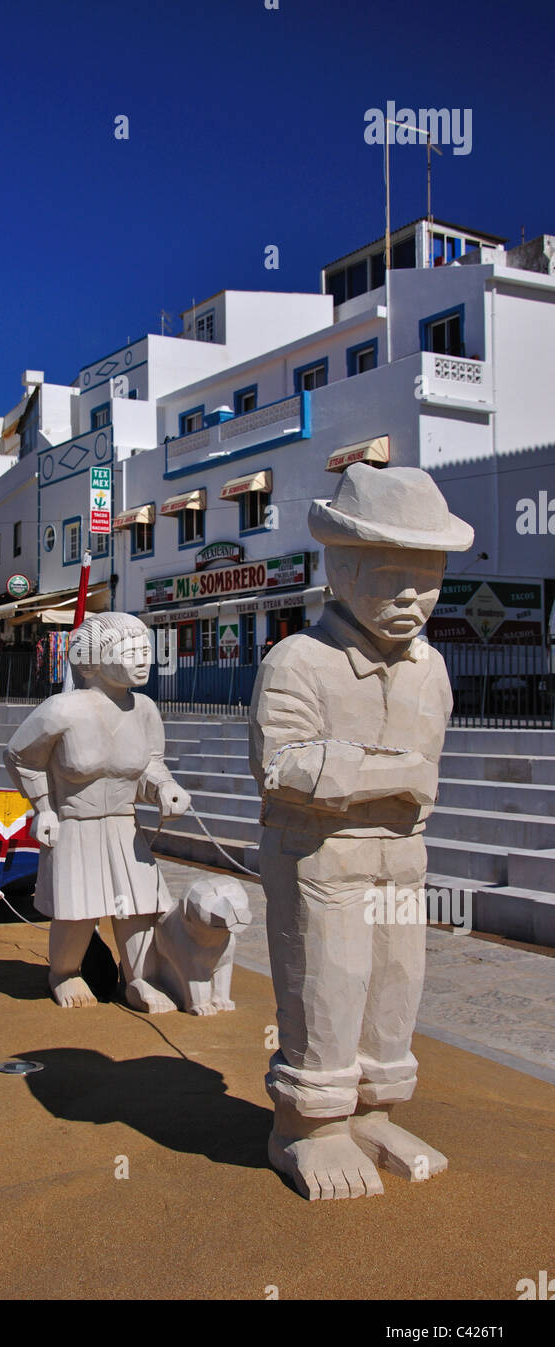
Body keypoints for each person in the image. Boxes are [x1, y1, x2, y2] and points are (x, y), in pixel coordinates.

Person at [249, 463, 473, 1201]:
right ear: (340, 570)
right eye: (389, 578)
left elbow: (427, 770)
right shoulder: (298, 661)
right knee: (327, 986)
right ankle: (306, 1125)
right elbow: (280, 766)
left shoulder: (431, 669)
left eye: (427, 580)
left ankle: (374, 1111)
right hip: (321, 859)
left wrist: (398, 780)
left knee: (393, 988)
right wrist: (392, 775)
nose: (411, 598)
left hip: (401, 859)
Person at [4, 611, 191, 1010]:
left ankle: (140, 978)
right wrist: (43, 808)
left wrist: (165, 788)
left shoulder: (144, 710)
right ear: (96, 657)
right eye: (131, 650)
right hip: (75, 823)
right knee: (77, 909)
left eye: (147, 650)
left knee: (139, 906)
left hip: (125, 824)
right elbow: (22, 757)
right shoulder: (61, 710)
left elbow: (150, 765)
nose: (144, 659)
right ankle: (64, 973)